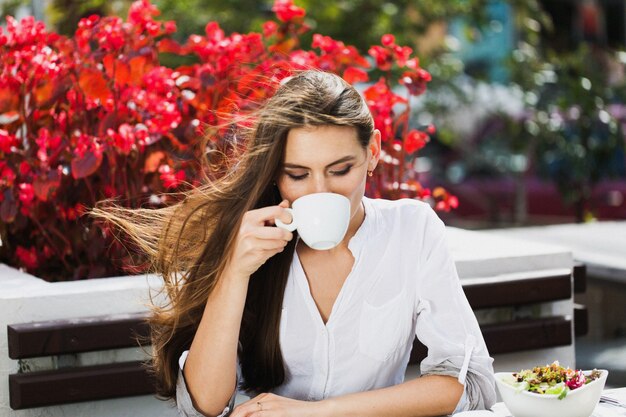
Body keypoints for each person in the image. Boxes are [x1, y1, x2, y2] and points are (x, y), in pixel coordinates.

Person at [94, 70, 496, 417]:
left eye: (340, 170)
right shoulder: (248, 238)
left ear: (372, 152)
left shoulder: (411, 230)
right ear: (275, 174)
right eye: (298, 175)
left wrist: (316, 413)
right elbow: (204, 405)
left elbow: (468, 379)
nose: (321, 191)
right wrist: (234, 271)